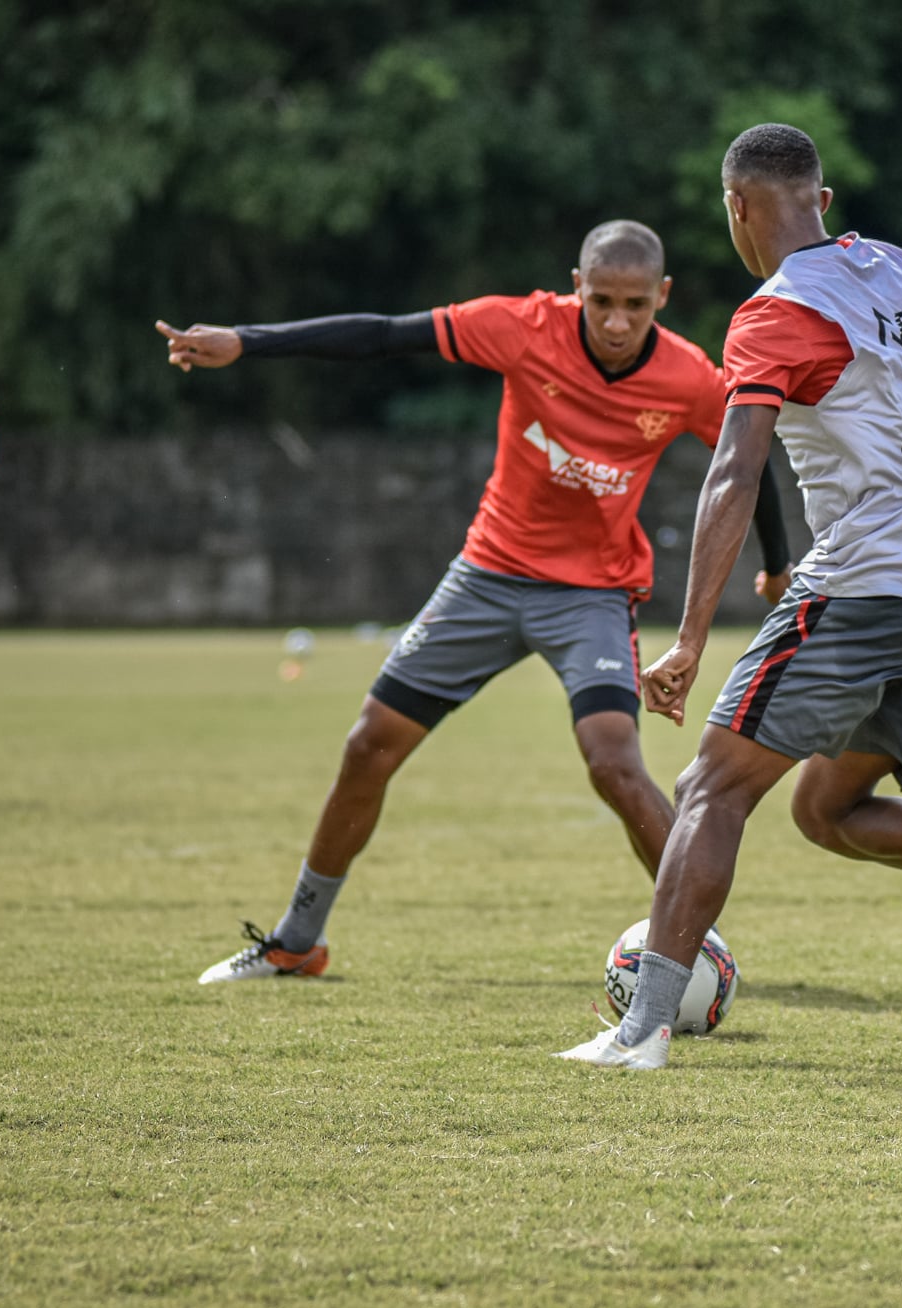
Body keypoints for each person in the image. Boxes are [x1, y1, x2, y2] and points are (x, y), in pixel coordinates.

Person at [560, 124, 902, 1069]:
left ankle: (642, 1031)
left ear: (736, 209)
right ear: (823, 201)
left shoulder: (772, 315)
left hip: (863, 584)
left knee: (709, 787)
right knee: (827, 810)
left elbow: (731, 473)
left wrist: (684, 638)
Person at [159, 221, 793, 983]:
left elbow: (744, 461)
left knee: (615, 765)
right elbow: (386, 336)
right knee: (369, 744)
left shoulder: (690, 377)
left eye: (635, 305)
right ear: (575, 287)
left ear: (662, 296)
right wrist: (247, 341)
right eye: (600, 302)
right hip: (486, 577)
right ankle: (298, 938)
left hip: (591, 594)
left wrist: (778, 564)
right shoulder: (522, 327)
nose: (618, 322)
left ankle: (697, 949)